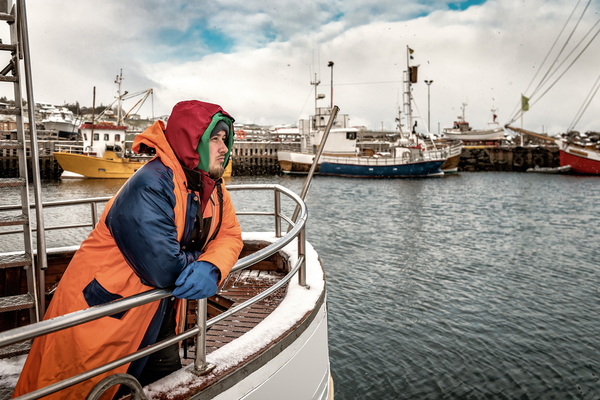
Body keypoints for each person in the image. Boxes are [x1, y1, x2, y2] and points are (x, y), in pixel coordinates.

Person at [13, 100, 243, 399]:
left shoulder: (211, 188)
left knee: (160, 386)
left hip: (157, 316)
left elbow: (230, 235)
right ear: (192, 140)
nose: (224, 148)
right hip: (104, 315)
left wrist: (212, 266)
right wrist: (201, 259)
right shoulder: (151, 184)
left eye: (225, 139)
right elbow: (164, 269)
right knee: (73, 389)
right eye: (215, 139)